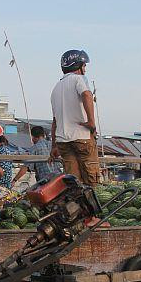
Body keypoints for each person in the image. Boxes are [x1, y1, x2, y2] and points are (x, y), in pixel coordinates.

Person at [50, 49, 100, 186]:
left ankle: (77, 200)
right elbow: (87, 95)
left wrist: (53, 146)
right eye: (84, 65)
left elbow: (55, 121)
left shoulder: (56, 88)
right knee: (90, 180)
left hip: (63, 142)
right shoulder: (79, 79)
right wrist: (91, 121)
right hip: (81, 137)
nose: (85, 69)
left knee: (74, 182)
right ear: (78, 66)